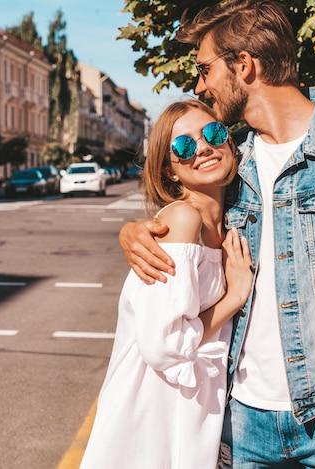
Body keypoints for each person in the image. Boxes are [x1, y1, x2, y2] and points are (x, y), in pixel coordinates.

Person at [118, 1, 315, 467]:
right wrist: (132, 233)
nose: (199, 84)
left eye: (205, 69)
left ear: (244, 65)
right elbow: (187, 220)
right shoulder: (232, 164)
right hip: (241, 421)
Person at [80, 100, 253, 469]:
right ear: (170, 171)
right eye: (184, 146)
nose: (203, 147)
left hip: (186, 405)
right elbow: (165, 346)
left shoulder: (228, 221)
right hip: (151, 413)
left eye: (213, 133)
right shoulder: (182, 219)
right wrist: (235, 296)